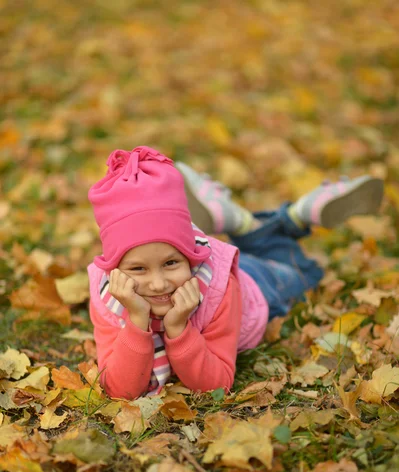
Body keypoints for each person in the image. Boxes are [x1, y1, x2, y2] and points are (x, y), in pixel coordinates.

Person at [87, 146, 383, 400]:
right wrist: (137, 322)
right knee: (270, 252)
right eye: (138, 269)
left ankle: (280, 221)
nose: (158, 283)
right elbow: (119, 389)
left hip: (258, 285)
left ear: (190, 254)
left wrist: (177, 327)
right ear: (116, 269)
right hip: (228, 267)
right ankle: (262, 222)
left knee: (304, 272)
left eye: (171, 263)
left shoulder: (217, 288)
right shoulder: (108, 297)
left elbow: (216, 385)